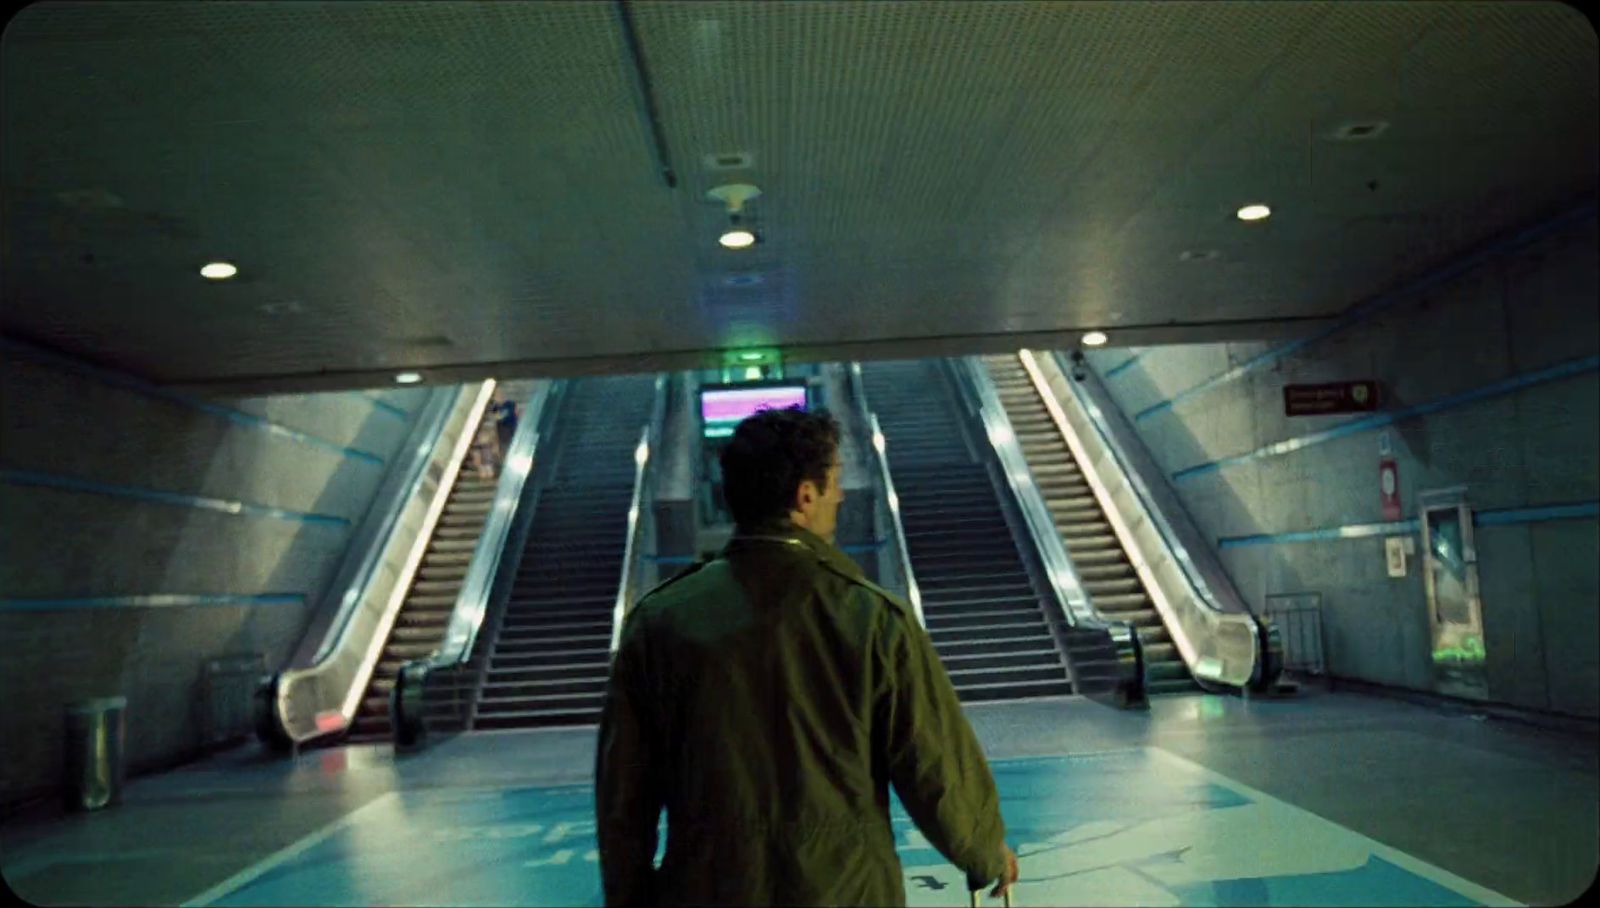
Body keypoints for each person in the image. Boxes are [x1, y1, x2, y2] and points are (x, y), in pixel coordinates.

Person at [595, 406, 1020, 906]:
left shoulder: (658, 622)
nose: (840, 496)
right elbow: (932, 760)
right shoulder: (873, 617)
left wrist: (630, 894)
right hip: (846, 889)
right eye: (834, 481)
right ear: (805, 495)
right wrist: (983, 850)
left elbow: (624, 794)